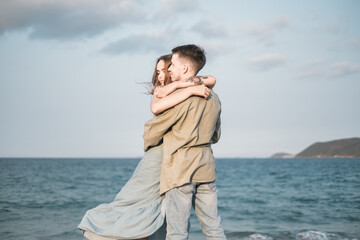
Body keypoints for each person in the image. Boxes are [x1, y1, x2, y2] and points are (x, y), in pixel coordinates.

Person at [78, 53, 217, 240]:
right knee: (145, 205)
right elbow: (156, 108)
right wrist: (184, 89)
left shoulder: (184, 89)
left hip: (170, 157)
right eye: (157, 71)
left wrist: (184, 87)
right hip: (176, 158)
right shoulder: (170, 91)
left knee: (160, 211)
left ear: (176, 68)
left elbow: (211, 79)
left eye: (166, 69)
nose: (160, 76)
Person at [143, 44, 226, 240]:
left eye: (173, 65)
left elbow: (153, 131)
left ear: (185, 69)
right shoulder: (214, 97)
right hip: (206, 166)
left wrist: (150, 145)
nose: (169, 69)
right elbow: (216, 135)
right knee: (214, 228)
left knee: (177, 233)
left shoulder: (179, 99)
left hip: (180, 169)